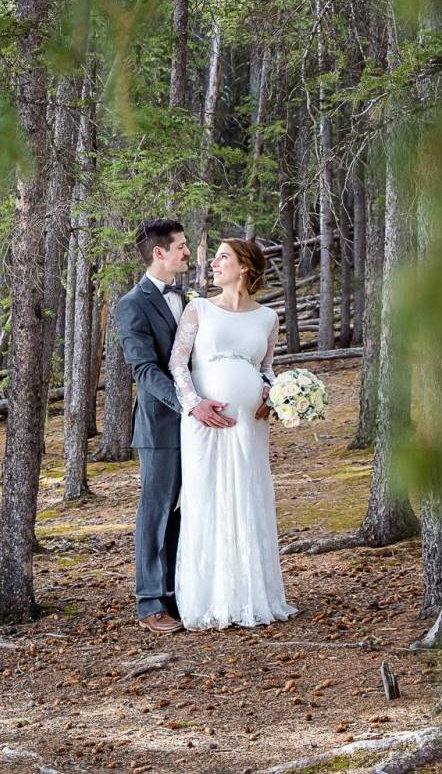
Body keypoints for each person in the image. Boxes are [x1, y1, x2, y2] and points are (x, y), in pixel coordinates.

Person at [168, 238, 297, 630]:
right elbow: (178, 363)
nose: (213, 264)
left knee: (247, 498)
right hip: (205, 423)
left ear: (244, 266)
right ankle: (209, 600)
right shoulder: (199, 309)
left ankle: (251, 597)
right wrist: (195, 405)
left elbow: (267, 367)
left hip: (251, 426)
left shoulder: (268, 318)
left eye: (223, 257)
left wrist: (272, 395)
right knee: (207, 499)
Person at [113, 219, 192, 633]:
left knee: (187, 512)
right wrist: (188, 404)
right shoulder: (132, 304)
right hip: (160, 426)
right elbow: (143, 370)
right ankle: (149, 604)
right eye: (180, 246)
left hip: (199, 428)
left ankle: (177, 593)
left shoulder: (190, 298)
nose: (187, 251)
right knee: (156, 511)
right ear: (159, 252)